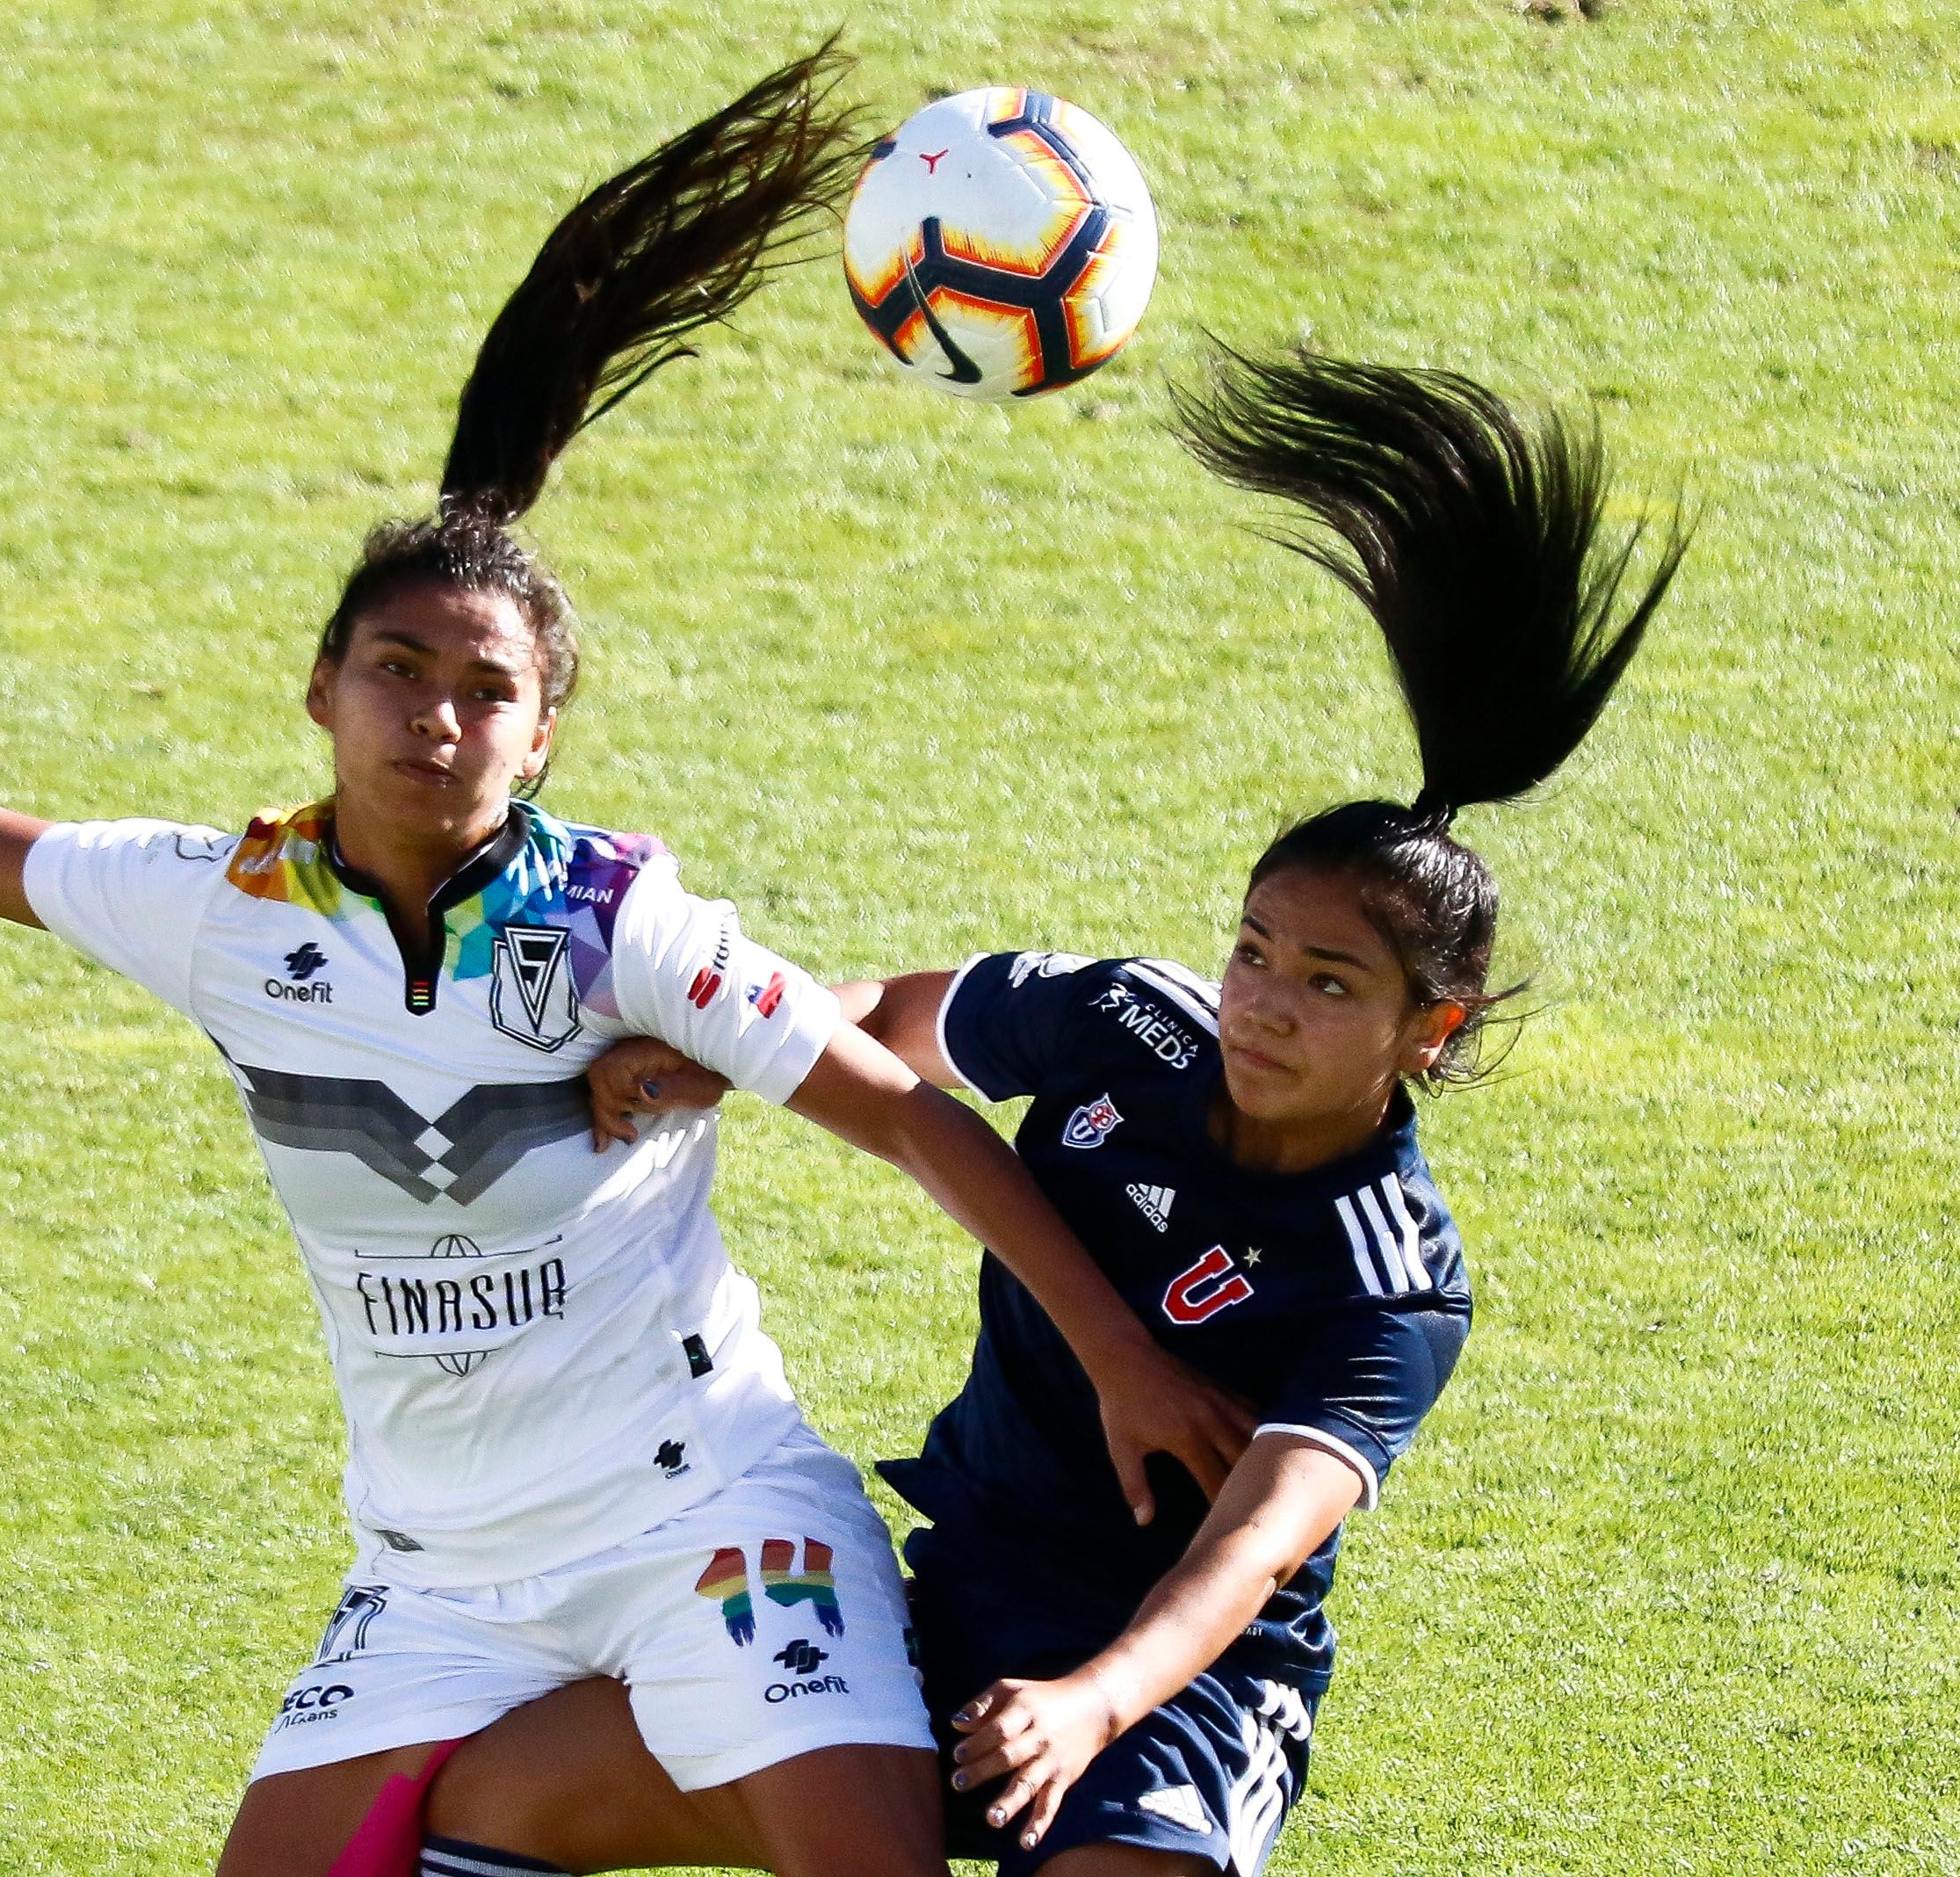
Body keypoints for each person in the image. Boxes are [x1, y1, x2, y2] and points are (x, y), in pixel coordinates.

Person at [0, 48, 1246, 1877]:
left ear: (542, 739)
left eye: (491, 693)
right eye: (399, 673)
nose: (439, 718)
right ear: (321, 693)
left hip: (707, 1519)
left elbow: (905, 1116)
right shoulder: (227, 904)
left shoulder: (619, 922)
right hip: (438, 1576)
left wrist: (1117, 1354)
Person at [421, 349, 1688, 1876]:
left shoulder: (1389, 1279)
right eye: (1256, 951)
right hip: (948, 1596)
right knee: (505, 1797)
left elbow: (1251, 1548)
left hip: (1179, 1686)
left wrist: (1089, 1704)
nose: (1266, 1003)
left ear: (1435, 1030)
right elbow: (897, 1020)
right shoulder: (1132, 1020)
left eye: (1331, 987)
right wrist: (710, 1059)